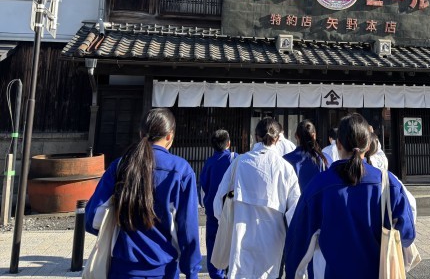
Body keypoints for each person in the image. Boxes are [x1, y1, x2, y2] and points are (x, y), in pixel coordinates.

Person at [285, 113, 415, 278]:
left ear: (338, 144)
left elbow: (298, 241)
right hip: (379, 272)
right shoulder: (388, 183)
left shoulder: (318, 186)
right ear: (368, 146)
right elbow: (407, 234)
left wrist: (293, 273)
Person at [85, 108, 201, 279]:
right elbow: (188, 229)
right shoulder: (181, 170)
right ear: (170, 136)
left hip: (122, 269)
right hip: (164, 269)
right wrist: (192, 271)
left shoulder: (120, 165)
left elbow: (91, 218)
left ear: (141, 133)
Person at [214, 117, 301, 278]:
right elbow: (295, 213)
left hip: (241, 237)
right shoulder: (285, 168)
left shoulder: (240, 162)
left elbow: (219, 201)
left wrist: (225, 220)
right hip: (273, 241)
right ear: (278, 139)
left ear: (255, 136)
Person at [200, 129, 236, 279]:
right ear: (229, 143)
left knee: (213, 243)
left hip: (212, 211)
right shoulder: (235, 159)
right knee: (232, 243)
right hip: (231, 210)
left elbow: (203, 187)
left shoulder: (209, 162)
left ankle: (216, 275)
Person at [283, 120, 328, 192]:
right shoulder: (325, 159)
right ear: (314, 136)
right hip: (319, 198)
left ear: (296, 136)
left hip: (297, 198)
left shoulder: (285, 160)